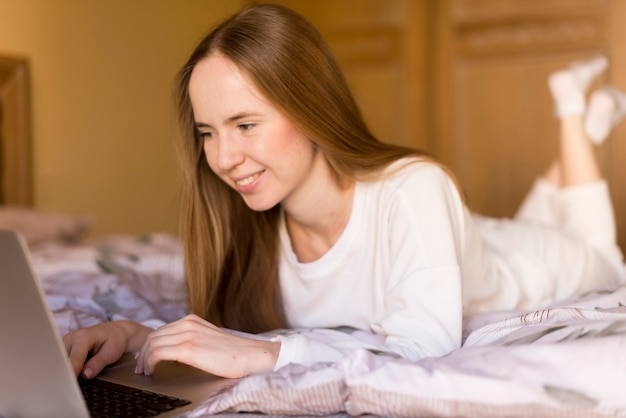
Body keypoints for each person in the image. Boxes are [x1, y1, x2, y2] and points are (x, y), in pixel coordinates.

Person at [63, 4, 626, 380]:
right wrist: (139, 336)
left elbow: (423, 348)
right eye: (207, 132)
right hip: (461, 244)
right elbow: (220, 333)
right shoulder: (248, 223)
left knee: (606, 256)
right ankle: (589, 123)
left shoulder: (415, 186)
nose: (223, 159)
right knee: (516, 224)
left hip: (531, 264)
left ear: (311, 109)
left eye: (245, 125)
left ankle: (575, 111)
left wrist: (269, 353)